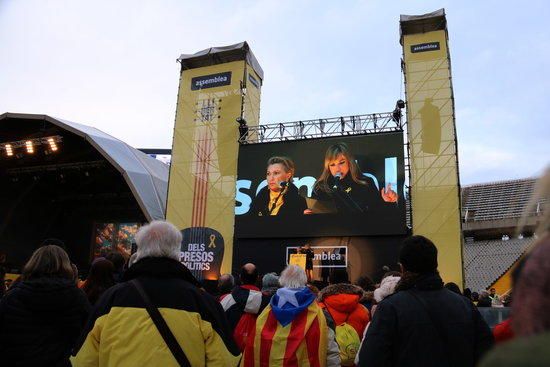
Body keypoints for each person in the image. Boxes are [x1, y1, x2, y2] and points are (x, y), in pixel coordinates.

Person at [72, 220, 240, 366]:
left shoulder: (110, 299)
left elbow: (83, 360)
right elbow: (226, 360)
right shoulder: (203, 303)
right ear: (177, 251)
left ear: (140, 250)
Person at [357, 235, 493, 367]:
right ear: (435, 264)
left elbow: (370, 360)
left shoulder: (390, 308)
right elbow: (488, 354)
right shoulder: (465, 305)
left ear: (402, 268)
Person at [0, 245, 90, 367]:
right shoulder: (77, 297)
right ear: (66, 266)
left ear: (33, 263)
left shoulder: (12, 296)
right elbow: (85, 337)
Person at [241, 265, 340, 366]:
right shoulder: (320, 314)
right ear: (304, 282)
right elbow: (331, 351)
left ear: (282, 282)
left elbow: (254, 347)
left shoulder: (266, 313)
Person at [309, 142, 386, 214]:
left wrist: (388, 203)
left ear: (349, 162)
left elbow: (379, 214)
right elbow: (315, 219)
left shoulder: (365, 183)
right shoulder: (320, 188)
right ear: (328, 167)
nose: (337, 169)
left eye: (341, 163)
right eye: (332, 165)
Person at [220, 263, 270, 351]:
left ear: (240, 277)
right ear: (258, 278)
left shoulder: (226, 300)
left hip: (232, 353)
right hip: (258, 354)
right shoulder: (269, 304)